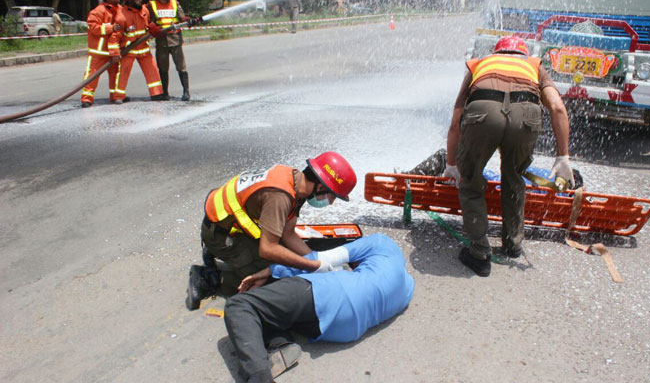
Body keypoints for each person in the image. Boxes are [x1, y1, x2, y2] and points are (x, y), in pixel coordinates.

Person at [444, 35, 574, 277]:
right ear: (522, 54)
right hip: (526, 115)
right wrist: (563, 156)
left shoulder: (481, 63)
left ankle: (479, 253)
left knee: (471, 181)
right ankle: (513, 244)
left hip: (483, 113)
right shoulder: (534, 66)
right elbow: (557, 107)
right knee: (514, 177)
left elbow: (455, 121)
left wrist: (452, 164)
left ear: (497, 52)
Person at [225, 233, 415, 382]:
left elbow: (323, 259)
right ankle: (280, 343)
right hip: (345, 330)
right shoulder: (408, 287)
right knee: (275, 308)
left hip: (335, 295)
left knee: (240, 305)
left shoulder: (381, 241)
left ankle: (259, 377)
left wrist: (270, 271)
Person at [186, 152, 358, 310]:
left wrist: (316, 259)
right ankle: (208, 277)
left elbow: (288, 233)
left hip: (231, 223)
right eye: (333, 196)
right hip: (220, 233)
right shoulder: (280, 196)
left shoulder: (296, 183)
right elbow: (268, 249)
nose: (332, 202)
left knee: (293, 262)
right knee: (274, 280)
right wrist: (313, 266)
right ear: (321, 187)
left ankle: (230, 256)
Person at [113, 0, 166, 103]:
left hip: (143, 48)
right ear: (130, 1)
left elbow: (147, 25)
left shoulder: (144, 10)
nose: (140, 1)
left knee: (152, 70)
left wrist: (153, 29)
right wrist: (115, 53)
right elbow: (115, 37)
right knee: (123, 72)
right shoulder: (121, 16)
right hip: (129, 50)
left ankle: (156, 94)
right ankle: (118, 96)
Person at [149, 0, 194, 101]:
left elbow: (182, 18)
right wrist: (153, 28)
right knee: (163, 68)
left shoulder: (175, 3)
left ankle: (186, 92)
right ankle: (165, 93)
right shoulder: (152, 5)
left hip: (175, 40)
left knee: (181, 67)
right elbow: (150, 21)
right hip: (161, 41)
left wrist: (188, 20)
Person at [80, 0, 123, 108]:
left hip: (114, 52)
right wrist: (111, 28)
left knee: (116, 74)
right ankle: (87, 99)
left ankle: (115, 96)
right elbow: (94, 28)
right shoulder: (97, 12)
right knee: (91, 76)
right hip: (99, 53)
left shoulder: (120, 10)